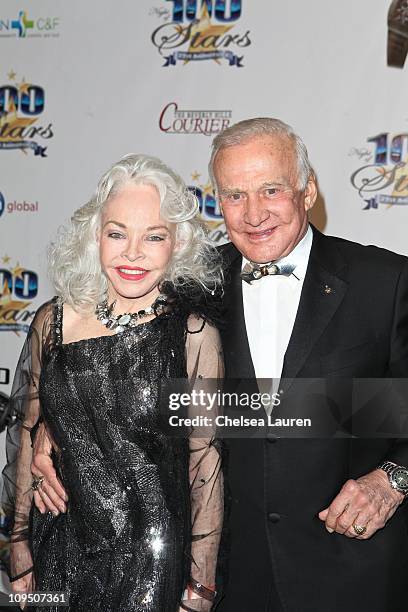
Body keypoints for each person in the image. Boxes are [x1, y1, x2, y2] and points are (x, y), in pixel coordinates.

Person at [2, 154, 224, 612]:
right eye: (117, 233)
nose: (133, 253)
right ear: (94, 235)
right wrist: (19, 545)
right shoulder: (53, 319)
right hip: (56, 541)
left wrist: (199, 588)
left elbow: (205, 463)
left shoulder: (193, 335)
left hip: (151, 555)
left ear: (177, 243)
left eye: (154, 236)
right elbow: (27, 432)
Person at [208, 118, 408, 612]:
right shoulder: (195, 286)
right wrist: (47, 429)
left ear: (308, 190)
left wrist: (391, 479)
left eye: (270, 189)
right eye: (235, 195)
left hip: (354, 575)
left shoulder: (385, 281)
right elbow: (123, 375)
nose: (253, 213)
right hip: (229, 579)